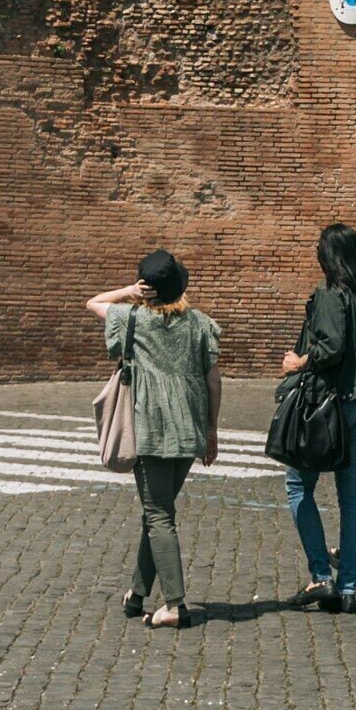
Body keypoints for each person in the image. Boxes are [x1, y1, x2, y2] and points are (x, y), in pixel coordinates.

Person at [88, 248, 220, 630]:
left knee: (159, 514)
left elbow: (92, 302)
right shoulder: (199, 323)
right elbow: (214, 381)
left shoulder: (129, 319)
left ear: (147, 289)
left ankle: (176, 605)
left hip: (149, 429)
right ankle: (138, 594)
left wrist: (130, 291)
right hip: (187, 430)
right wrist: (211, 430)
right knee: (157, 509)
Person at [275, 221, 356, 611]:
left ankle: (322, 576)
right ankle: (349, 588)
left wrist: (298, 361)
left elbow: (331, 347)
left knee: (298, 485)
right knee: (352, 496)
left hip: (332, 405)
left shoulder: (330, 293)